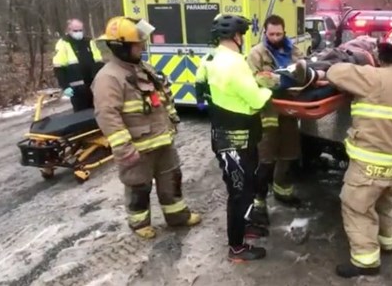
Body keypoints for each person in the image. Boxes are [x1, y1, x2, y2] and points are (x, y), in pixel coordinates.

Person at [326, 27, 392, 278]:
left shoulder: (374, 78)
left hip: (367, 162)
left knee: (356, 207)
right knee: (384, 202)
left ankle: (365, 260)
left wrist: (362, 63)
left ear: (382, 53)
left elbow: (334, 72)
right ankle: (387, 242)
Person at [92, 16, 200, 240]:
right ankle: (139, 223)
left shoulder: (143, 69)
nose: (141, 46)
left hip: (162, 141)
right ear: (121, 47)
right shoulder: (108, 77)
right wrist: (124, 149)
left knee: (172, 179)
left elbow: (162, 99)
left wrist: (172, 122)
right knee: (138, 186)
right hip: (137, 147)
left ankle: (177, 217)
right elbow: (107, 115)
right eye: (136, 44)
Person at [195, 14, 272, 262]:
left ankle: (245, 226)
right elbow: (257, 99)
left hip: (224, 136)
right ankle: (236, 248)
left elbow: (202, 85)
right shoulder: (235, 63)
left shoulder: (210, 58)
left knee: (243, 188)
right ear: (237, 37)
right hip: (236, 140)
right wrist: (270, 85)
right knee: (241, 192)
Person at [246, 15, 306, 227]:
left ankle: (283, 190)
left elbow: (303, 73)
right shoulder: (256, 53)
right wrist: (280, 79)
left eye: (279, 34)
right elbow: (255, 80)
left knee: (288, 153)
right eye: (271, 34)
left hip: (289, 110)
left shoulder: (293, 50)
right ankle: (259, 203)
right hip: (267, 111)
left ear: (284, 31)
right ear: (265, 32)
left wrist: (288, 78)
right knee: (265, 159)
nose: (275, 37)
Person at [52, 19, 104, 112]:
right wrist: (65, 86)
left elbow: (99, 62)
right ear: (69, 30)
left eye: (80, 30)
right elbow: (58, 67)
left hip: (94, 86)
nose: (79, 33)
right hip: (77, 90)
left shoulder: (89, 42)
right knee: (81, 116)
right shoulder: (63, 43)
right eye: (75, 31)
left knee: (99, 113)